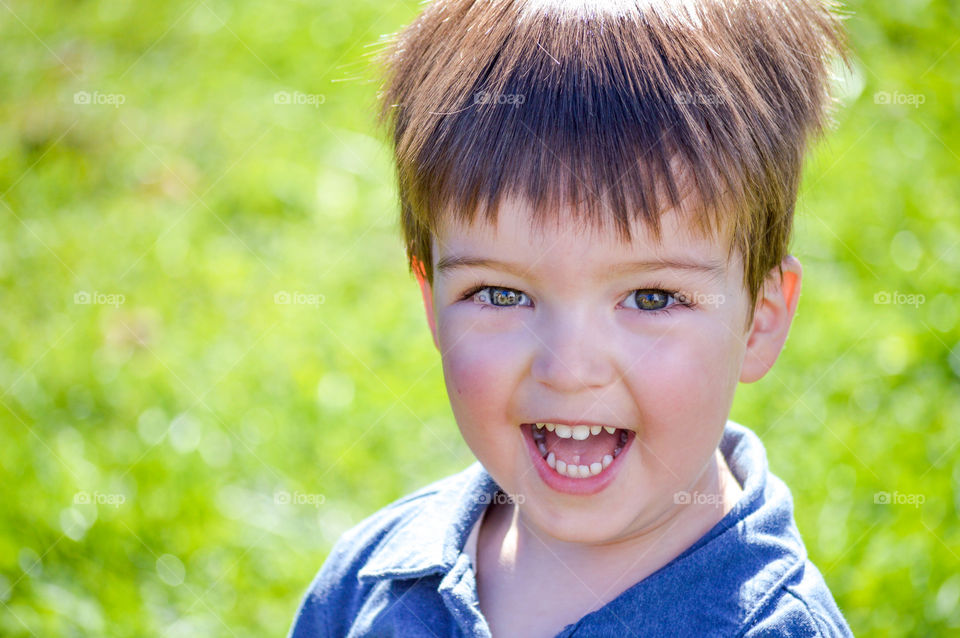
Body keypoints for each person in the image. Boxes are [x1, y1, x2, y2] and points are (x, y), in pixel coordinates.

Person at [289, 0, 855, 635]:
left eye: (651, 298)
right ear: (432, 304)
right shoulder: (371, 581)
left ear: (759, 319)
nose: (569, 369)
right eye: (502, 295)